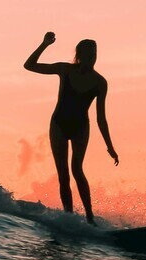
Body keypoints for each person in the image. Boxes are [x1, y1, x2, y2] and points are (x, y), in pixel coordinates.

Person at [24, 32, 118, 224]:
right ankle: (69, 217)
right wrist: (44, 44)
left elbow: (101, 117)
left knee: (77, 169)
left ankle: (90, 218)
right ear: (80, 55)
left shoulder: (100, 82)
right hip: (59, 124)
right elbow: (29, 66)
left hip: (80, 127)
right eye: (89, 54)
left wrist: (110, 146)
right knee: (63, 174)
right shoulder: (65, 70)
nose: (93, 58)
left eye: (95, 54)